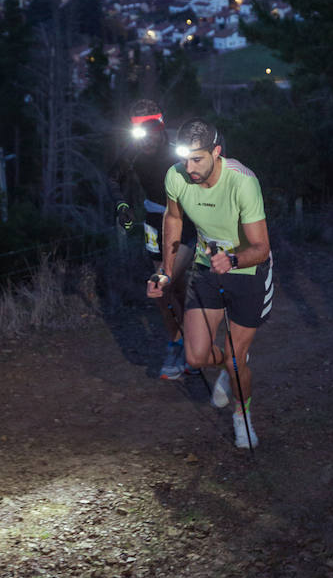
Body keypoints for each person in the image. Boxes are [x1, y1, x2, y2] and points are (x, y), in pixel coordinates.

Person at [147, 118, 273, 449]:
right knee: (196, 357)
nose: (188, 167)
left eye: (197, 159)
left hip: (248, 273)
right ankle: (234, 365)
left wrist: (233, 260)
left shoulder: (242, 182)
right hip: (206, 270)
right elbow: (173, 218)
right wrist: (166, 271)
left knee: (234, 359)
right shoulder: (176, 176)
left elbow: (261, 248)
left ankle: (240, 415)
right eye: (184, 158)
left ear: (216, 152)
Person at [108, 101, 195, 379]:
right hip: (154, 223)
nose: (146, 139)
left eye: (151, 130)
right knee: (175, 289)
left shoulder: (179, 151)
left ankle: (178, 345)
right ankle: (190, 346)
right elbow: (113, 179)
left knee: (158, 285)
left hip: (185, 223)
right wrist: (122, 206)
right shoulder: (131, 154)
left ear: (160, 128)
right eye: (139, 132)